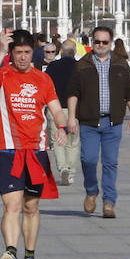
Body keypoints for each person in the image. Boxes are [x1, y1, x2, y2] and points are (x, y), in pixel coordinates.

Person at [0, 28, 67, 259]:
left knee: (31, 206)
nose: (23, 58)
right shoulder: (3, 74)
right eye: (18, 53)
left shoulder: (43, 79)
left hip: (35, 151)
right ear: (12, 53)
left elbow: (56, 109)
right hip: (8, 149)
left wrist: (61, 126)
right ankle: (10, 253)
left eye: (27, 53)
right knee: (12, 204)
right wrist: (1, 53)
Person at [66, 24, 130, 219]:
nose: (100, 45)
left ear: (111, 43)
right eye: (97, 41)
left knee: (110, 163)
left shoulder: (120, 64)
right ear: (92, 43)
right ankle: (91, 191)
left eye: (104, 42)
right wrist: (71, 117)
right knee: (88, 159)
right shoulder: (82, 65)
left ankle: (109, 202)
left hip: (112, 122)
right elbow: (73, 93)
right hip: (88, 122)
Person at [46, 40, 81, 185]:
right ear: (74, 53)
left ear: (61, 51)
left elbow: (45, 86)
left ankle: (63, 168)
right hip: (75, 110)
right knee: (72, 143)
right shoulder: (80, 67)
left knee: (57, 140)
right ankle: (71, 173)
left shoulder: (52, 66)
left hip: (55, 108)